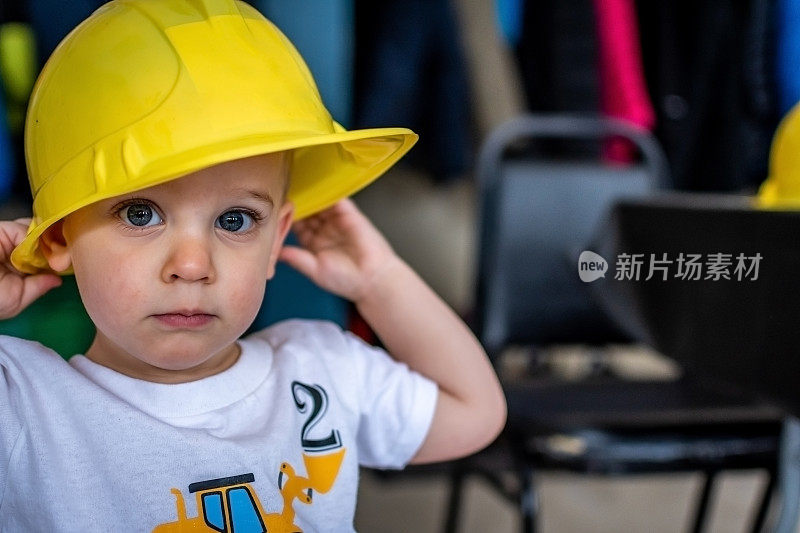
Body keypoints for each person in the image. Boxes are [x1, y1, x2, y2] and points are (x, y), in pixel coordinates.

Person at [0, 1, 506, 531]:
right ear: (59, 234)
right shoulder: (26, 408)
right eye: (140, 213)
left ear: (275, 241)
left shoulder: (320, 373)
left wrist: (381, 282)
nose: (193, 265)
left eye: (236, 220)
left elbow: (475, 411)